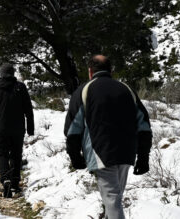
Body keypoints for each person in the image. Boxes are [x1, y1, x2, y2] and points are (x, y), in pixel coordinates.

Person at [63, 54, 152, 219]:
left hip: (100, 152)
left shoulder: (84, 91)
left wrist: (75, 156)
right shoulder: (126, 89)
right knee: (114, 198)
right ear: (110, 70)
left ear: (90, 71)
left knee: (112, 200)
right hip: (126, 152)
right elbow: (144, 125)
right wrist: (143, 156)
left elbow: (72, 130)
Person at [0, 62, 35, 198]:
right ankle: (14, 184)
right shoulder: (20, 87)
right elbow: (28, 110)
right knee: (16, 154)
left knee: (2, 154)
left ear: (1, 74)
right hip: (18, 128)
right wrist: (30, 129)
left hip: (0, 128)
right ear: (13, 74)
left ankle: (5, 179)